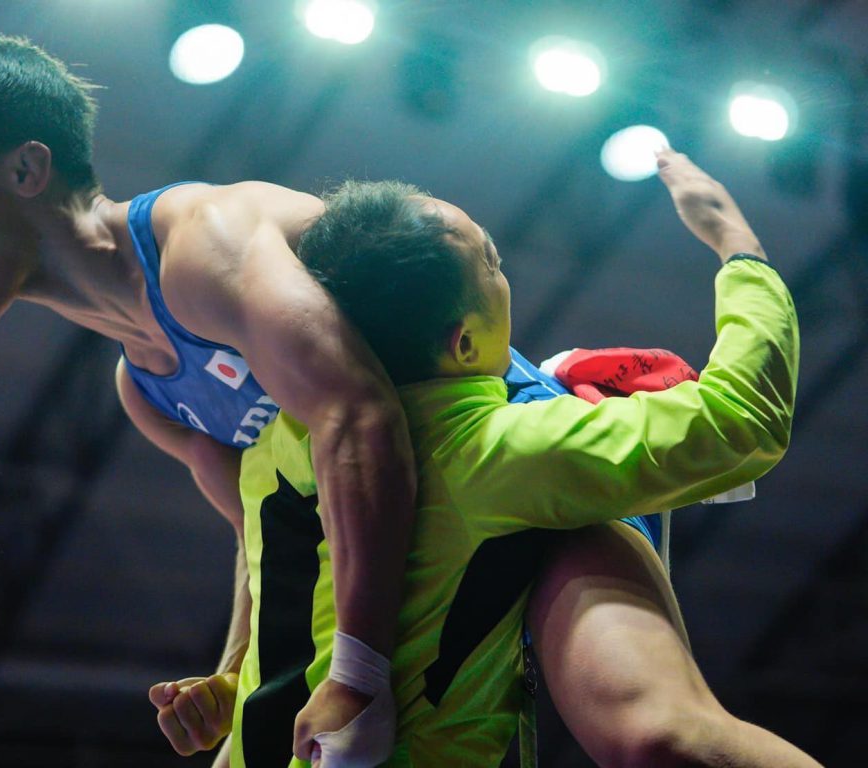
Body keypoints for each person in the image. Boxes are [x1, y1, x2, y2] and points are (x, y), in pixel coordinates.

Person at [0, 32, 415, 762]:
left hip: (513, 467)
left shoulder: (203, 241)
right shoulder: (146, 392)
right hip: (427, 552)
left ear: (25, 168)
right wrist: (232, 672)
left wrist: (358, 673)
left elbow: (359, 415)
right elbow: (264, 535)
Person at [225, 163, 820, 767]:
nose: (500, 270)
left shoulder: (272, 444)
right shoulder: (496, 451)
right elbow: (741, 419)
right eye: (492, 263)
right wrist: (738, 246)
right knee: (667, 735)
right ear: (463, 344)